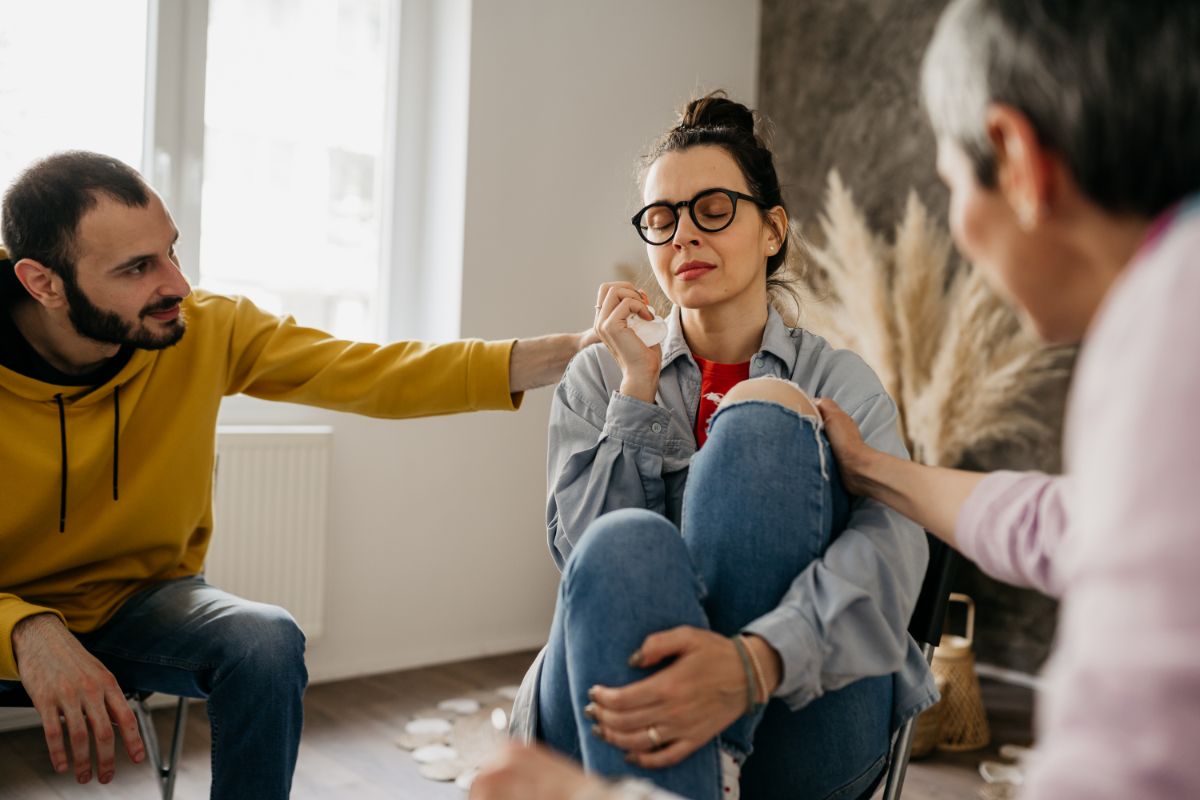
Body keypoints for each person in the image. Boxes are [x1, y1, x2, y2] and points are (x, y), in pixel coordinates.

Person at [0, 150, 594, 799]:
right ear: (43, 283)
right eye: (138, 268)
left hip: (142, 600)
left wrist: (573, 352)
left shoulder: (204, 330)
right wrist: (24, 627)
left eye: (171, 251)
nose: (177, 284)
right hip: (6, 607)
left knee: (265, 641)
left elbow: (370, 370)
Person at [814, 1, 1200, 797]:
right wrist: (873, 470)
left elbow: (1127, 770)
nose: (957, 226)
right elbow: (1074, 526)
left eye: (951, 183)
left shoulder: (1171, 317)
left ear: (1015, 156)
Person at [506, 93, 936, 800]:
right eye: (661, 219)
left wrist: (752, 663)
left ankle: (715, 763)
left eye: (712, 209)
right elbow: (582, 563)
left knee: (764, 422)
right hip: (624, 694)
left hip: (798, 712)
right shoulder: (601, 374)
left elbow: (893, 555)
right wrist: (635, 395)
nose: (682, 236)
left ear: (772, 230)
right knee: (621, 544)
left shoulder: (840, 382)